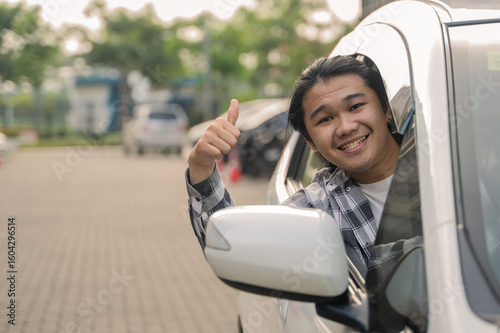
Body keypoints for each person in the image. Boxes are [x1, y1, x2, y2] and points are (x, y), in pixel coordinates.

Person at [185, 55, 418, 271]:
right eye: (326, 119)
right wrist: (201, 167)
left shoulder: (447, 169)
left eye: (356, 106)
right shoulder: (316, 209)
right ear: (311, 142)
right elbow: (234, 251)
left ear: (386, 110)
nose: (346, 127)